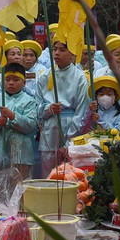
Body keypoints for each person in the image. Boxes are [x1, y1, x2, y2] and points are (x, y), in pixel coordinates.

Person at [37, 40, 92, 177]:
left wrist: (69, 140)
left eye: (62, 50)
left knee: (68, 175)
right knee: (48, 174)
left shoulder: (80, 78)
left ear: (72, 53)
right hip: (50, 128)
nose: (57, 53)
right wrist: (49, 109)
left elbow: (81, 112)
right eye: (55, 49)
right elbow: (36, 108)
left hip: (70, 127)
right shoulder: (45, 76)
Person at [0, 64, 39, 183]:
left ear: (24, 83)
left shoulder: (29, 101)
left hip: (21, 153)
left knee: (19, 186)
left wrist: (13, 116)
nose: (11, 83)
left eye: (16, 80)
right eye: (7, 80)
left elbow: (31, 125)